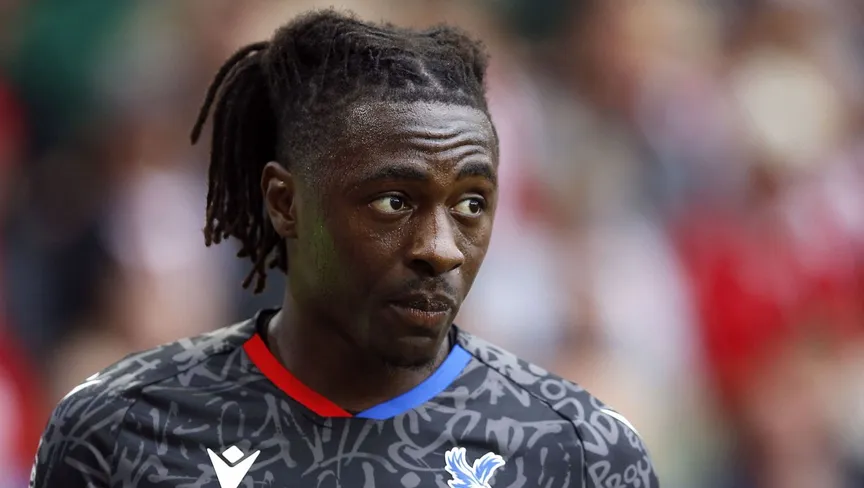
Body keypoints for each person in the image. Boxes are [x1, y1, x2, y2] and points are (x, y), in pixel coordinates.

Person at [30, 10, 658, 488]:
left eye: (471, 204)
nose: (440, 250)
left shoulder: (579, 452)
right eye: (394, 201)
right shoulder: (120, 430)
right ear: (285, 202)